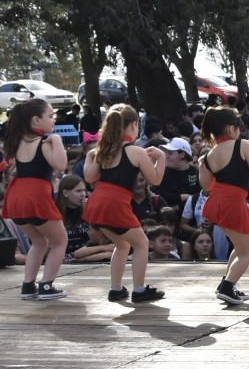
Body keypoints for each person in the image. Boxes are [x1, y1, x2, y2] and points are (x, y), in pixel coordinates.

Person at [83, 103, 167, 303]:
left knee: (122, 244)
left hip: (97, 201)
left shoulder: (104, 150)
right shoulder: (135, 151)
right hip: (115, 202)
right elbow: (155, 180)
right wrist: (161, 157)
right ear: (132, 125)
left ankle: (116, 289)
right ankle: (139, 290)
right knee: (142, 243)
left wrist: (90, 155)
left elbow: (89, 177)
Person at [198, 106, 249, 305]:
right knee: (247, 250)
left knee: (240, 246)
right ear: (231, 128)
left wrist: (203, 165)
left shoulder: (210, 154)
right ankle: (228, 285)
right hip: (232, 202)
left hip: (217, 201)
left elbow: (207, 186)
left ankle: (226, 284)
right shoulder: (241, 144)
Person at [2, 98, 69, 300]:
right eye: (50, 116)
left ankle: (28, 286)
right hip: (35, 195)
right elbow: (61, 166)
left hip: (16, 196)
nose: (53, 120)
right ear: (36, 120)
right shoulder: (45, 142)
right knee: (60, 241)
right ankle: (47, 286)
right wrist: (56, 140)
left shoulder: (18, 141)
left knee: (38, 241)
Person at [56, 174, 90, 262]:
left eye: (84, 190)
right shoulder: (55, 213)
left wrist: (89, 212)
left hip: (87, 255)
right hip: (62, 258)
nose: (83, 194)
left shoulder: (87, 210)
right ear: (66, 193)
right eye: (78, 191)